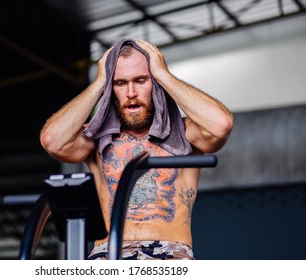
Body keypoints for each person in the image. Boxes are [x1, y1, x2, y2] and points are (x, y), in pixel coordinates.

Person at [40, 39, 233, 260]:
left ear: (156, 84)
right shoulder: (97, 138)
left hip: (168, 255)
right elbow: (52, 140)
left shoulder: (185, 133)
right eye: (120, 83)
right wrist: (100, 82)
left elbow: (221, 125)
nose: (131, 92)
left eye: (141, 80)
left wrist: (164, 75)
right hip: (106, 256)